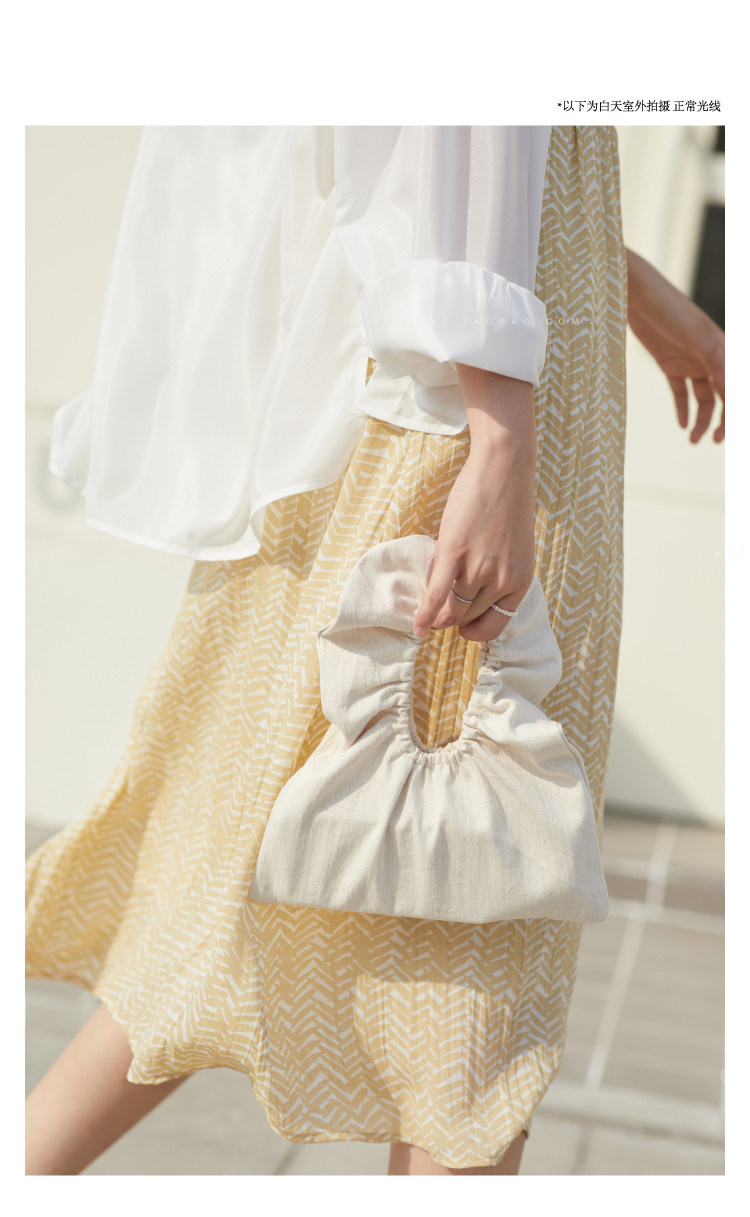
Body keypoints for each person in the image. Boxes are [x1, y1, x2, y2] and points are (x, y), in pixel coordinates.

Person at [25, 125, 725, 1177]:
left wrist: (626, 277)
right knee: (472, 944)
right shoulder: (493, 417)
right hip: (465, 419)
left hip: (441, 377)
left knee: (232, 877)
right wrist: (501, 436)